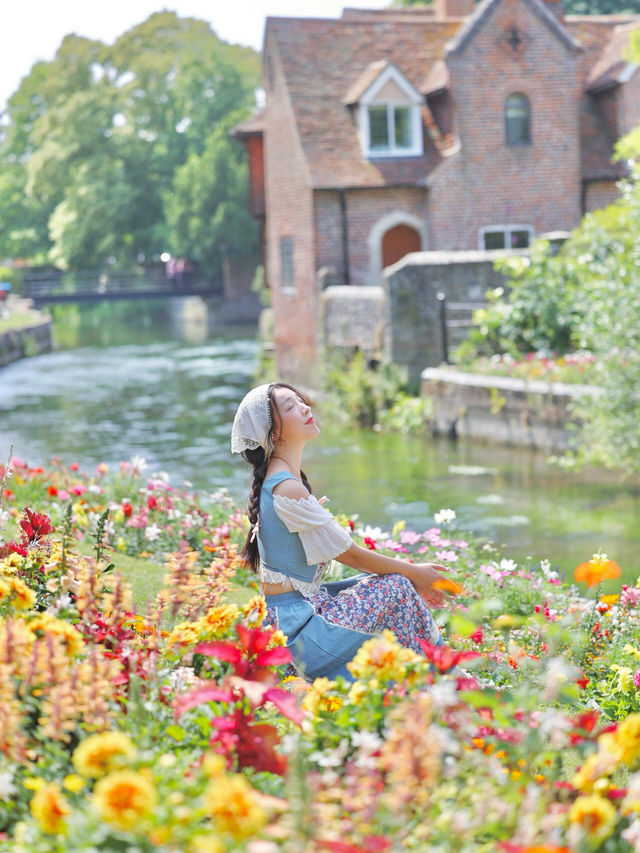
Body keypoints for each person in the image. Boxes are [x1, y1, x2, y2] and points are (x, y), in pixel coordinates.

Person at [231, 381, 453, 682]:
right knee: (397, 586)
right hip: (295, 637)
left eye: (300, 400)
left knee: (387, 583)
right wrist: (417, 572)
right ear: (274, 433)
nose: (305, 407)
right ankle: (431, 679)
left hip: (296, 621)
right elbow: (352, 555)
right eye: (290, 406)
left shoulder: (282, 479)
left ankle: (426, 677)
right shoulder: (286, 487)